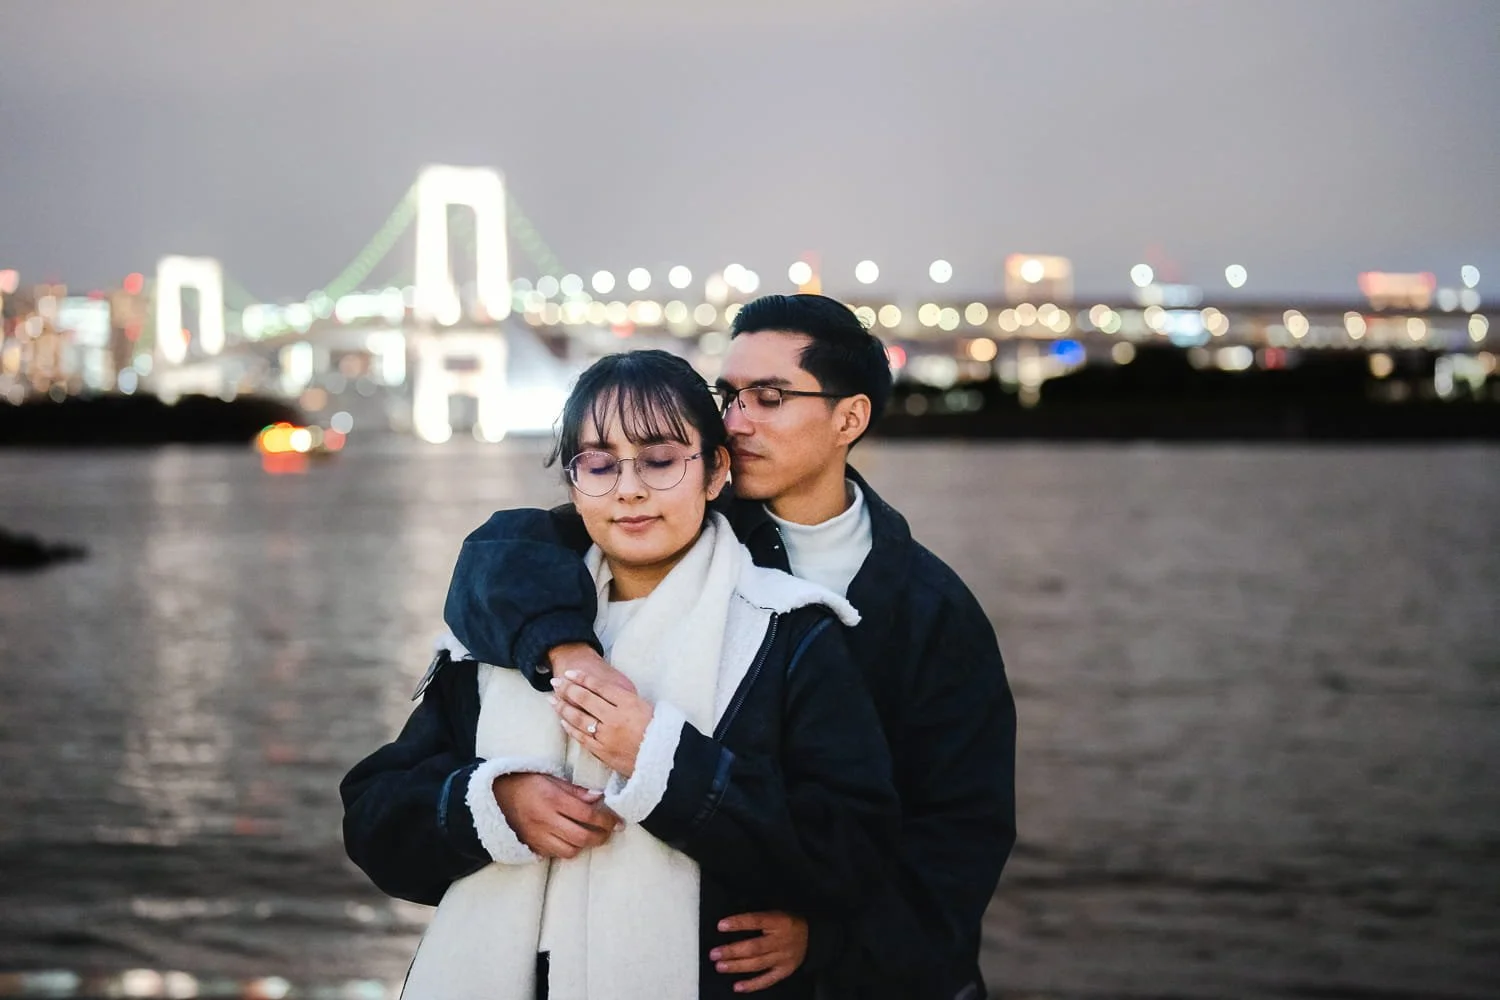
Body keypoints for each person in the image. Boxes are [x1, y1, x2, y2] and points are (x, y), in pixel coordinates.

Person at [443, 294, 1017, 999]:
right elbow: (497, 554)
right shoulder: (672, 517)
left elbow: (962, 834)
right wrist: (565, 651)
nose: (735, 420)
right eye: (729, 394)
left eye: (768, 398)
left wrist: (830, 940)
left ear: (850, 419)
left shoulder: (932, 610)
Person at [341, 350, 899, 999]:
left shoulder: (789, 634)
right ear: (574, 484)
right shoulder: (503, 637)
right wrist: (493, 806)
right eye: (600, 465)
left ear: (716, 470)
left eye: (661, 460)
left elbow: (856, 852)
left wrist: (664, 761)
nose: (629, 488)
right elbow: (373, 822)